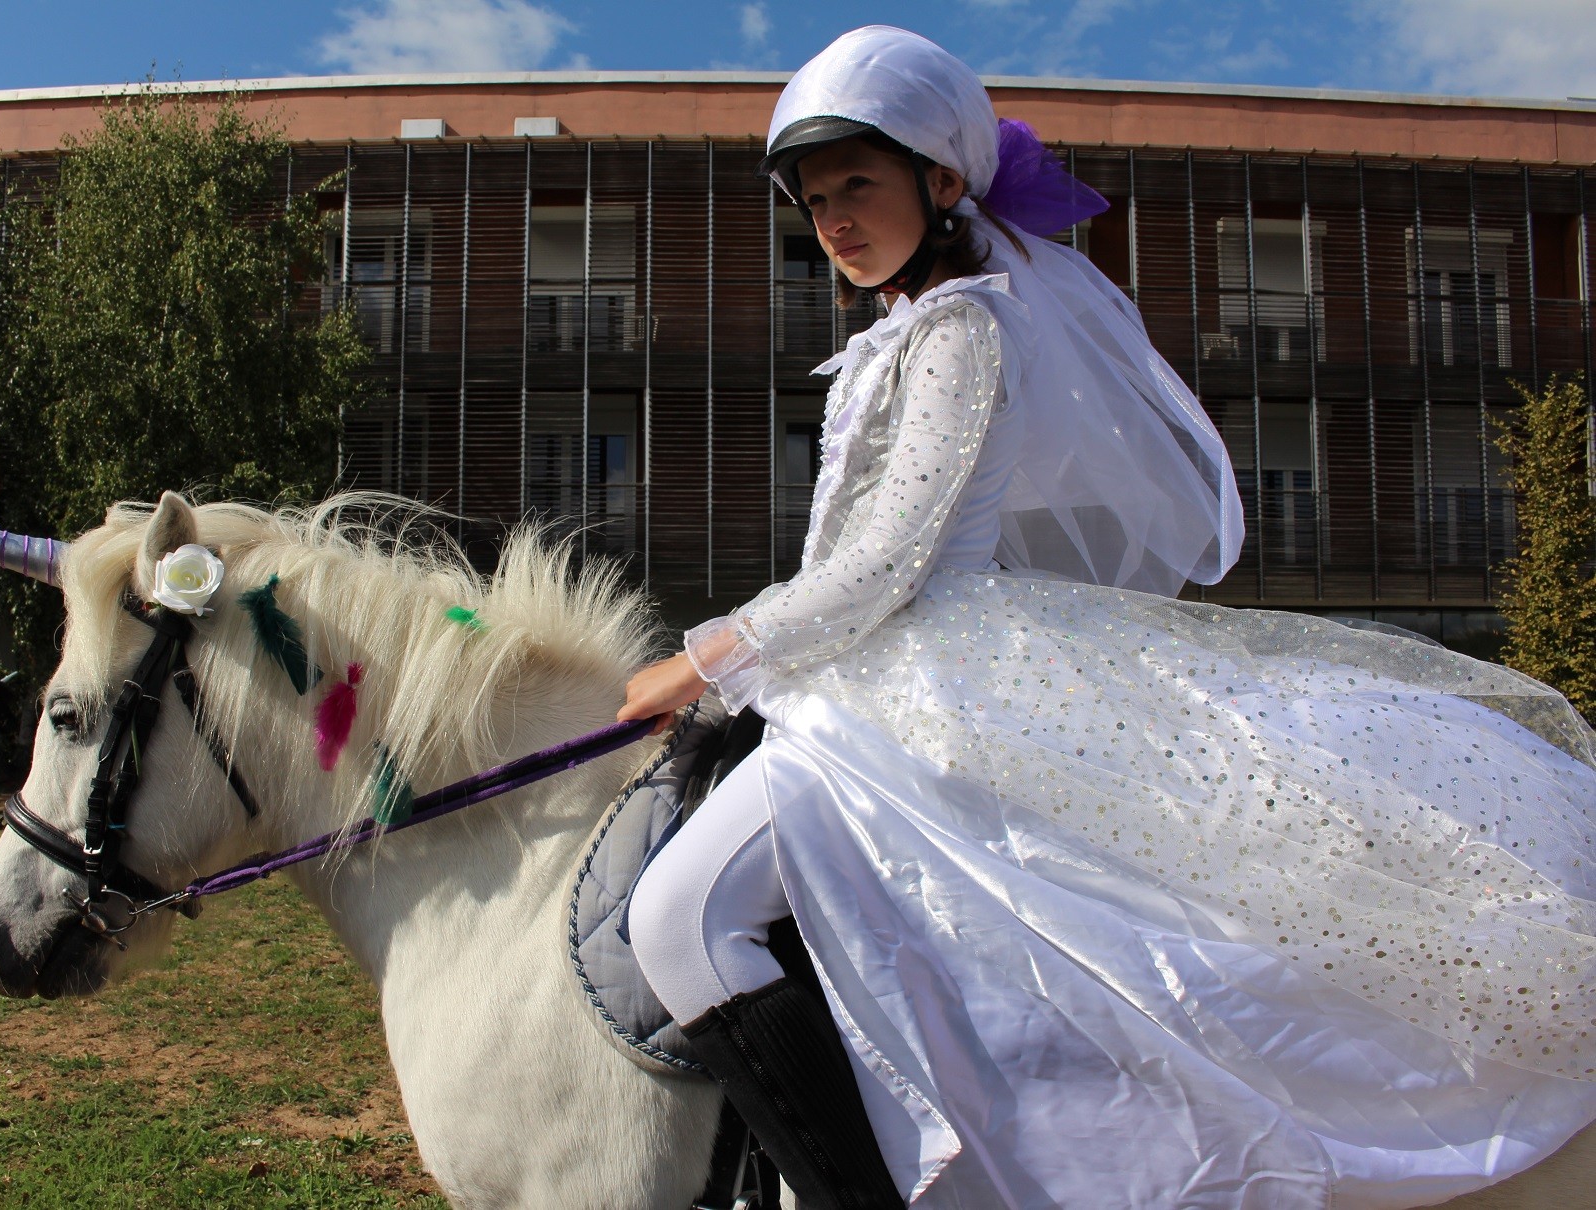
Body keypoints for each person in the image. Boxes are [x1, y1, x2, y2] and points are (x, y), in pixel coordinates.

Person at [619, 26, 1596, 1210]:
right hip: (853, 674)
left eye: (858, 186)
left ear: (940, 183)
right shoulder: (893, 338)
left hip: (911, 680)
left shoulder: (965, 329)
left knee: (679, 917)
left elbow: (884, 564)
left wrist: (704, 658)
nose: (833, 219)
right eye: (815, 199)